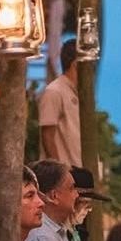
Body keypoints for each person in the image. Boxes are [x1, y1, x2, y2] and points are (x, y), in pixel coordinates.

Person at [38, 38, 81, 166]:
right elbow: (47, 135)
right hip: (65, 175)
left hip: (78, 173)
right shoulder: (54, 91)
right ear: (76, 64)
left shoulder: (77, 94)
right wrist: (61, 173)